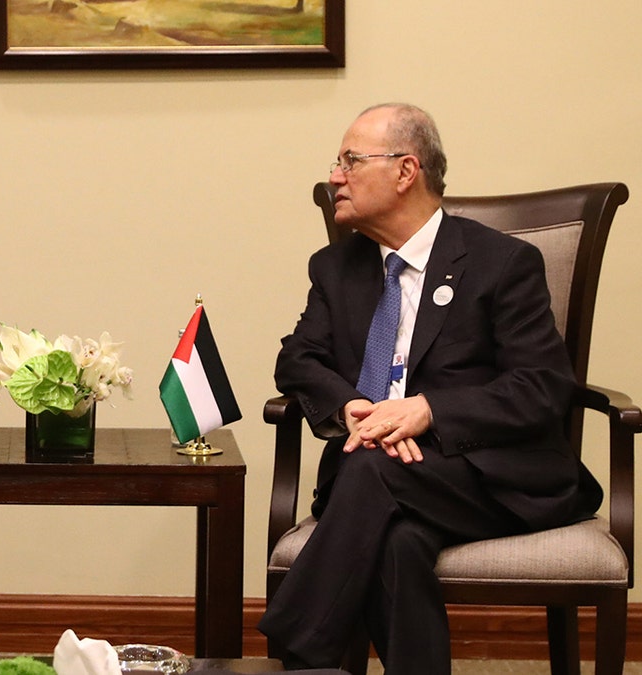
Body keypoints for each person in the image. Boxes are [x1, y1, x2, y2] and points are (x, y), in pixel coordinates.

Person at [257, 103, 602, 674]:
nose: (335, 177)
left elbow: (542, 385)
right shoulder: (336, 267)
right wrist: (351, 405)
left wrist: (428, 410)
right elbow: (299, 358)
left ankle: (296, 653)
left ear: (405, 170)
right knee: (399, 543)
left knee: (371, 468)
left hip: (490, 478)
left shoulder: (502, 263)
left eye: (350, 161)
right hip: (384, 478)